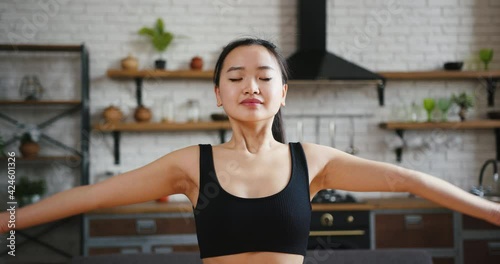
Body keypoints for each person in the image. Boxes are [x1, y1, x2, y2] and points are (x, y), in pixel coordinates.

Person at [1, 38, 499, 264]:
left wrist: (492, 212)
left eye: (265, 77)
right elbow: (91, 195)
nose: (251, 86)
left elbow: (407, 181)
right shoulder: (189, 164)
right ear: (218, 94)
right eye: (235, 77)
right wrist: (8, 223)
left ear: (284, 92)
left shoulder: (314, 161)